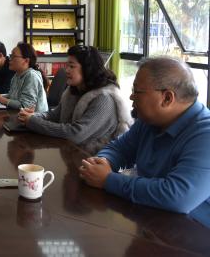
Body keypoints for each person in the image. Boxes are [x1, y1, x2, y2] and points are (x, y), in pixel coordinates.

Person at [80, 57, 210, 227]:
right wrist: (102, 161)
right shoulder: (149, 121)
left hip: (193, 232)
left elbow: (178, 196)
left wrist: (108, 180)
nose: (131, 96)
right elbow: (119, 148)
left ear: (167, 98)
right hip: (151, 219)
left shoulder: (205, 134)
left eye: (137, 91)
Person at [17, 46, 133, 154]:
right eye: (67, 65)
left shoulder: (104, 98)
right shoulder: (74, 91)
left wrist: (32, 121)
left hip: (95, 161)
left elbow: (76, 134)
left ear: (88, 69)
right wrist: (32, 116)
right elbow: (54, 115)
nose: (66, 70)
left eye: (72, 66)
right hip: (75, 155)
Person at [0, 42, 49, 112]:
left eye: (13, 56)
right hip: (20, 115)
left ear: (26, 61)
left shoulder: (31, 76)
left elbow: (25, 106)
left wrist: (0, 99)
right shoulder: (16, 75)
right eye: (11, 56)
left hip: (35, 117)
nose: (10, 59)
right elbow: (12, 96)